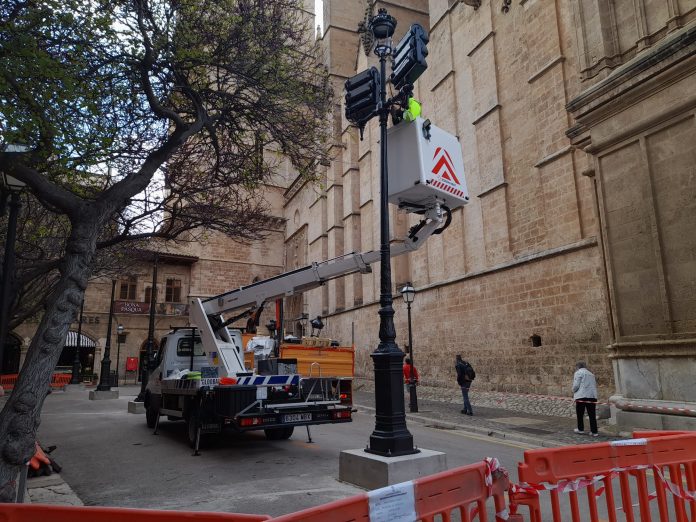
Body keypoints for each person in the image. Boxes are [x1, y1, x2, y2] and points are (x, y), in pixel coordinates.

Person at [573, 361, 598, 437]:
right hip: (592, 396)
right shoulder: (591, 374)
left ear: (578, 367)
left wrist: (573, 390)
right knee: (592, 415)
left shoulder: (578, 373)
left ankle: (581, 429)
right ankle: (594, 431)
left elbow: (576, 385)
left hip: (582, 395)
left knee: (580, 414)